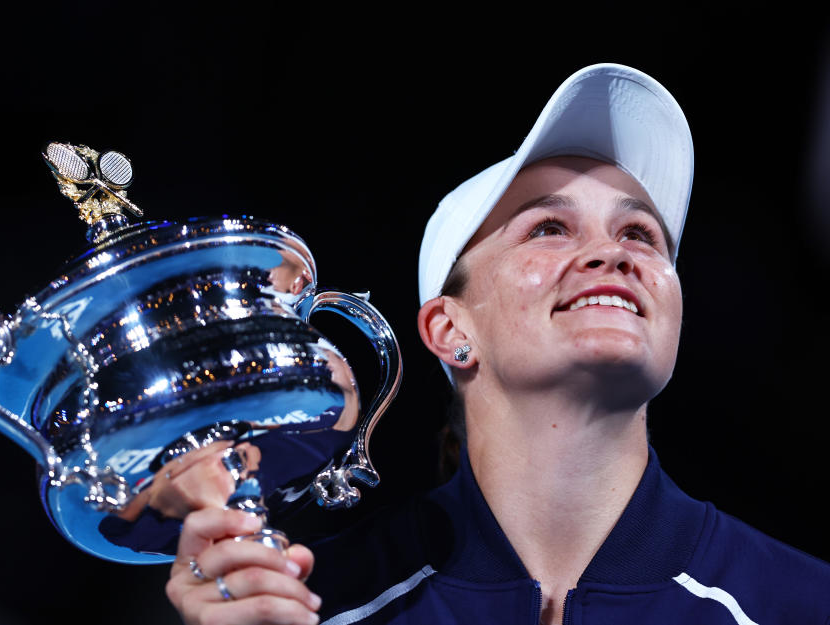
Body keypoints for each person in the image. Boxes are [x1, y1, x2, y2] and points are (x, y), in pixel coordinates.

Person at [164, 64, 830, 625]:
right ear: (450, 330)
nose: (612, 253)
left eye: (640, 235)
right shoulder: (321, 604)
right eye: (547, 227)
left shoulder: (803, 602)